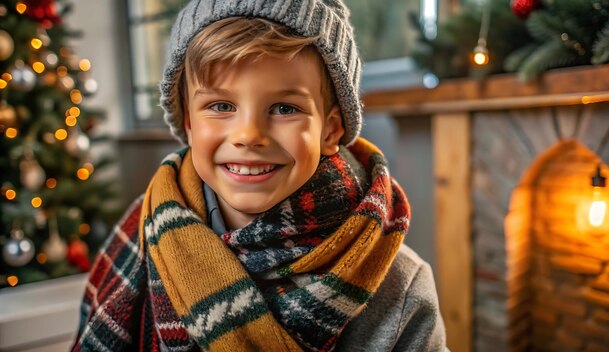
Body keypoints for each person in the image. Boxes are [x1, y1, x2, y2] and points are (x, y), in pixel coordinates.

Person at [72, 0, 447, 351]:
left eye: (285, 107)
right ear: (188, 123)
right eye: (221, 106)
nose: (249, 135)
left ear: (330, 131)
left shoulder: (399, 287)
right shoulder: (141, 232)